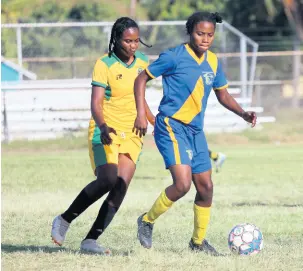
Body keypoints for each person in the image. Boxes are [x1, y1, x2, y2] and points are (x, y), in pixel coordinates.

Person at [133, 11, 257, 256]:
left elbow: (222, 94)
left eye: (210, 35)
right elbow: (140, 79)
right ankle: (146, 220)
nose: (205, 39)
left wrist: (243, 113)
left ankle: (198, 243)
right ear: (190, 32)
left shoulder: (212, 61)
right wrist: (141, 113)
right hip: (171, 126)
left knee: (206, 187)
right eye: (200, 34)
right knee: (182, 185)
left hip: (195, 131)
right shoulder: (174, 57)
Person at [51, 17, 154, 254]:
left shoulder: (143, 62)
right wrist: (103, 126)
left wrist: (151, 119)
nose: (133, 45)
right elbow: (96, 103)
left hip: (133, 131)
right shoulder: (104, 64)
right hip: (105, 128)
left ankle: (90, 240)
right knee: (107, 179)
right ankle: (64, 219)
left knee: (120, 185)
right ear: (116, 39)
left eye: (137, 40)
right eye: (128, 40)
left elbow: (140, 97)